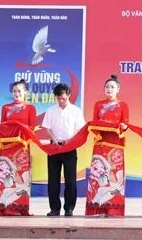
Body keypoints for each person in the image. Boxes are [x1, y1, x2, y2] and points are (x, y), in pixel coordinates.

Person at [86, 75, 129, 217]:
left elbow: (125, 124)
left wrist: (123, 126)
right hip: (100, 144)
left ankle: (113, 210)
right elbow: (94, 123)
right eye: (107, 87)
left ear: (118, 89)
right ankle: (97, 208)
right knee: (99, 175)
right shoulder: (98, 104)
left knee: (114, 176)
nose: (109, 89)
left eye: (112, 87)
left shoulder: (123, 105)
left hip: (116, 146)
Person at [0, 80, 37, 216]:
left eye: (19, 91)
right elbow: (2, 126)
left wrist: (19, 129)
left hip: (22, 147)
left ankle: (19, 207)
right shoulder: (5, 107)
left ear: (25, 92)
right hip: (6, 148)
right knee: (6, 175)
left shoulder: (30, 108)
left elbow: (32, 128)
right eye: (14, 91)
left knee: (20, 177)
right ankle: (3, 207)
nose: (16, 93)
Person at [41, 83, 86, 217]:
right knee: (53, 180)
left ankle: (69, 208)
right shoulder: (51, 110)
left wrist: (70, 140)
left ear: (69, 95)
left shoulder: (76, 111)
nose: (61, 101)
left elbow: (80, 130)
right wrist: (54, 140)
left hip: (70, 147)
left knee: (70, 180)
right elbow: (47, 128)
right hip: (54, 146)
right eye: (58, 98)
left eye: (63, 98)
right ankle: (54, 208)